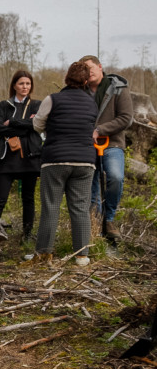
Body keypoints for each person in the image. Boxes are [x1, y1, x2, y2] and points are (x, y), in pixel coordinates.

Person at [31, 61, 98, 266]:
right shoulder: (92, 103)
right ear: (86, 80)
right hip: (85, 162)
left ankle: (44, 253)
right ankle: (82, 255)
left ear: (66, 78)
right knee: (80, 208)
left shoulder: (53, 99)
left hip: (55, 160)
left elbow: (37, 124)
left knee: (51, 207)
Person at [0, 71, 43, 252]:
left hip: (30, 158)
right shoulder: (4, 105)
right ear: (14, 85)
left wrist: (12, 123)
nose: (25, 87)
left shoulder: (37, 105)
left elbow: (36, 126)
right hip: (8, 159)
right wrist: (24, 125)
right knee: (0, 200)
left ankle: (27, 236)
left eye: (28, 84)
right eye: (21, 83)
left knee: (28, 198)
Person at [79, 55, 134, 242]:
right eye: (84, 69)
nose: (88, 72)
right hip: (87, 145)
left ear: (100, 67)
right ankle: (96, 223)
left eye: (90, 67)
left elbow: (126, 117)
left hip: (112, 143)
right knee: (91, 184)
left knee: (116, 177)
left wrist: (100, 130)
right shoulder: (80, 91)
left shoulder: (118, 88)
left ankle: (109, 218)